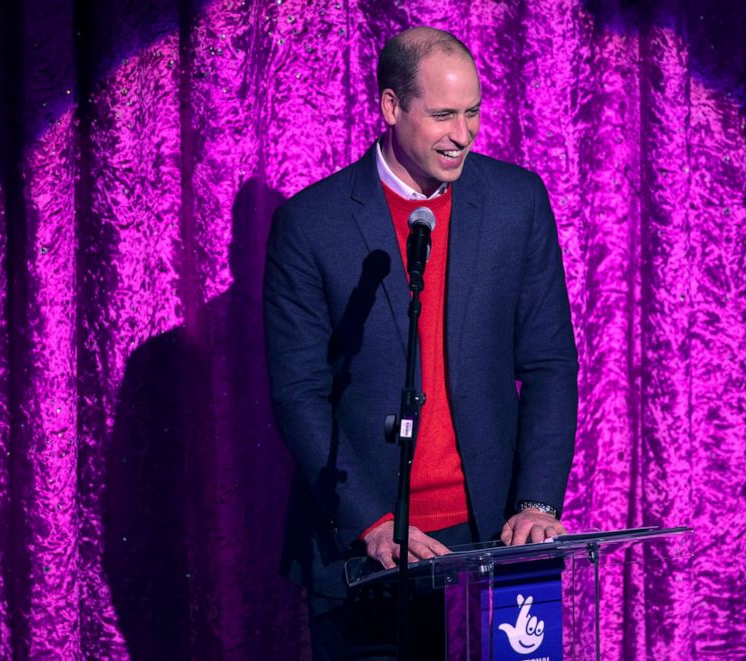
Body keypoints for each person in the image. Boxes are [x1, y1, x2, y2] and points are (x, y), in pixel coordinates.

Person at [264, 26, 578, 659]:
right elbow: (300, 391)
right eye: (442, 115)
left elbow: (548, 363)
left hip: (495, 533)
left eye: (472, 114)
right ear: (390, 107)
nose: (461, 134)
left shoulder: (517, 201)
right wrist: (370, 519)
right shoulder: (311, 223)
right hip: (371, 538)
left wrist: (537, 500)